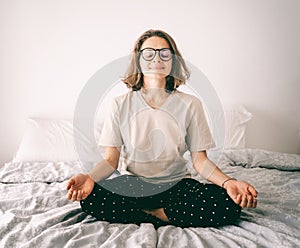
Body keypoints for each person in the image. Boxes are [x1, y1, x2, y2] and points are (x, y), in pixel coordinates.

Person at [66, 29, 257, 228]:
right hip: (134, 184)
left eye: (165, 53)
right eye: (149, 53)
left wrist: (228, 182)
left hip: (177, 184)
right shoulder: (119, 105)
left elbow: (200, 161)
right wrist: (89, 178)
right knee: (91, 197)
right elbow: (110, 161)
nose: (157, 59)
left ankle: (152, 214)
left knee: (228, 204)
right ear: (138, 60)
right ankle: (168, 214)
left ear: (173, 61)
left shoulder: (191, 104)